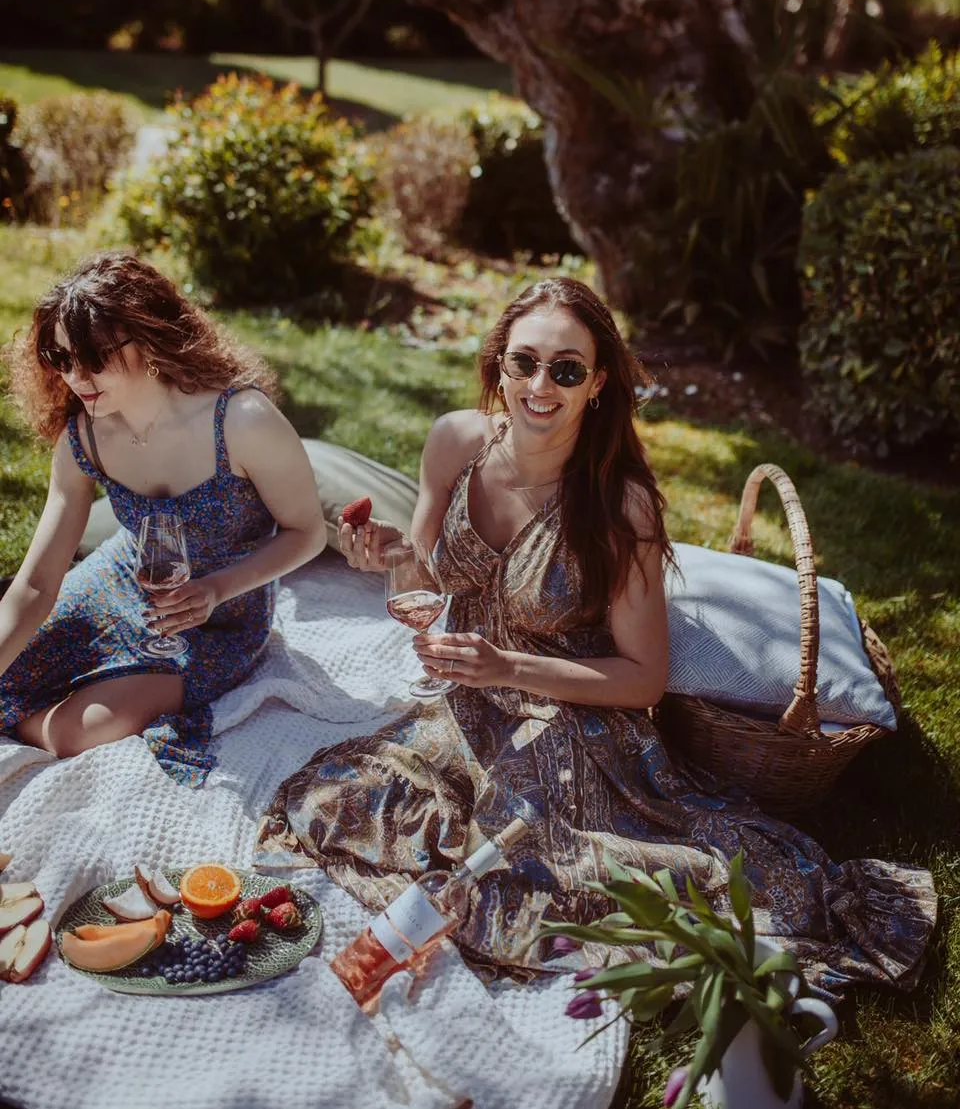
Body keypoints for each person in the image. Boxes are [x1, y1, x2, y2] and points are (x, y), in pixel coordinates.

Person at [257, 276, 936, 995]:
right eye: (524, 362)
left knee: (534, 876)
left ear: (598, 383)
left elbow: (642, 678)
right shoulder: (455, 441)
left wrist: (505, 666)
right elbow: (427, 569)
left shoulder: (620, 504)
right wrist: (390, 555)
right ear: (499, 364)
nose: (539, 385)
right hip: (465, 697)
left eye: (566, 369)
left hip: (572, 717)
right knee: (332, 802)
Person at [0, 251, 326, 785]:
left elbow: (307, 533)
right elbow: (35, 585)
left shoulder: (242, 421)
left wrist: (216, 589)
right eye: (61, 359)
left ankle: (24, 720)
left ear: (149, 338)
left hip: (221, 617)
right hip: (120, 581)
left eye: (94, 357)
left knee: (78, 732)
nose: (76, 377)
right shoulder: (83, 437)